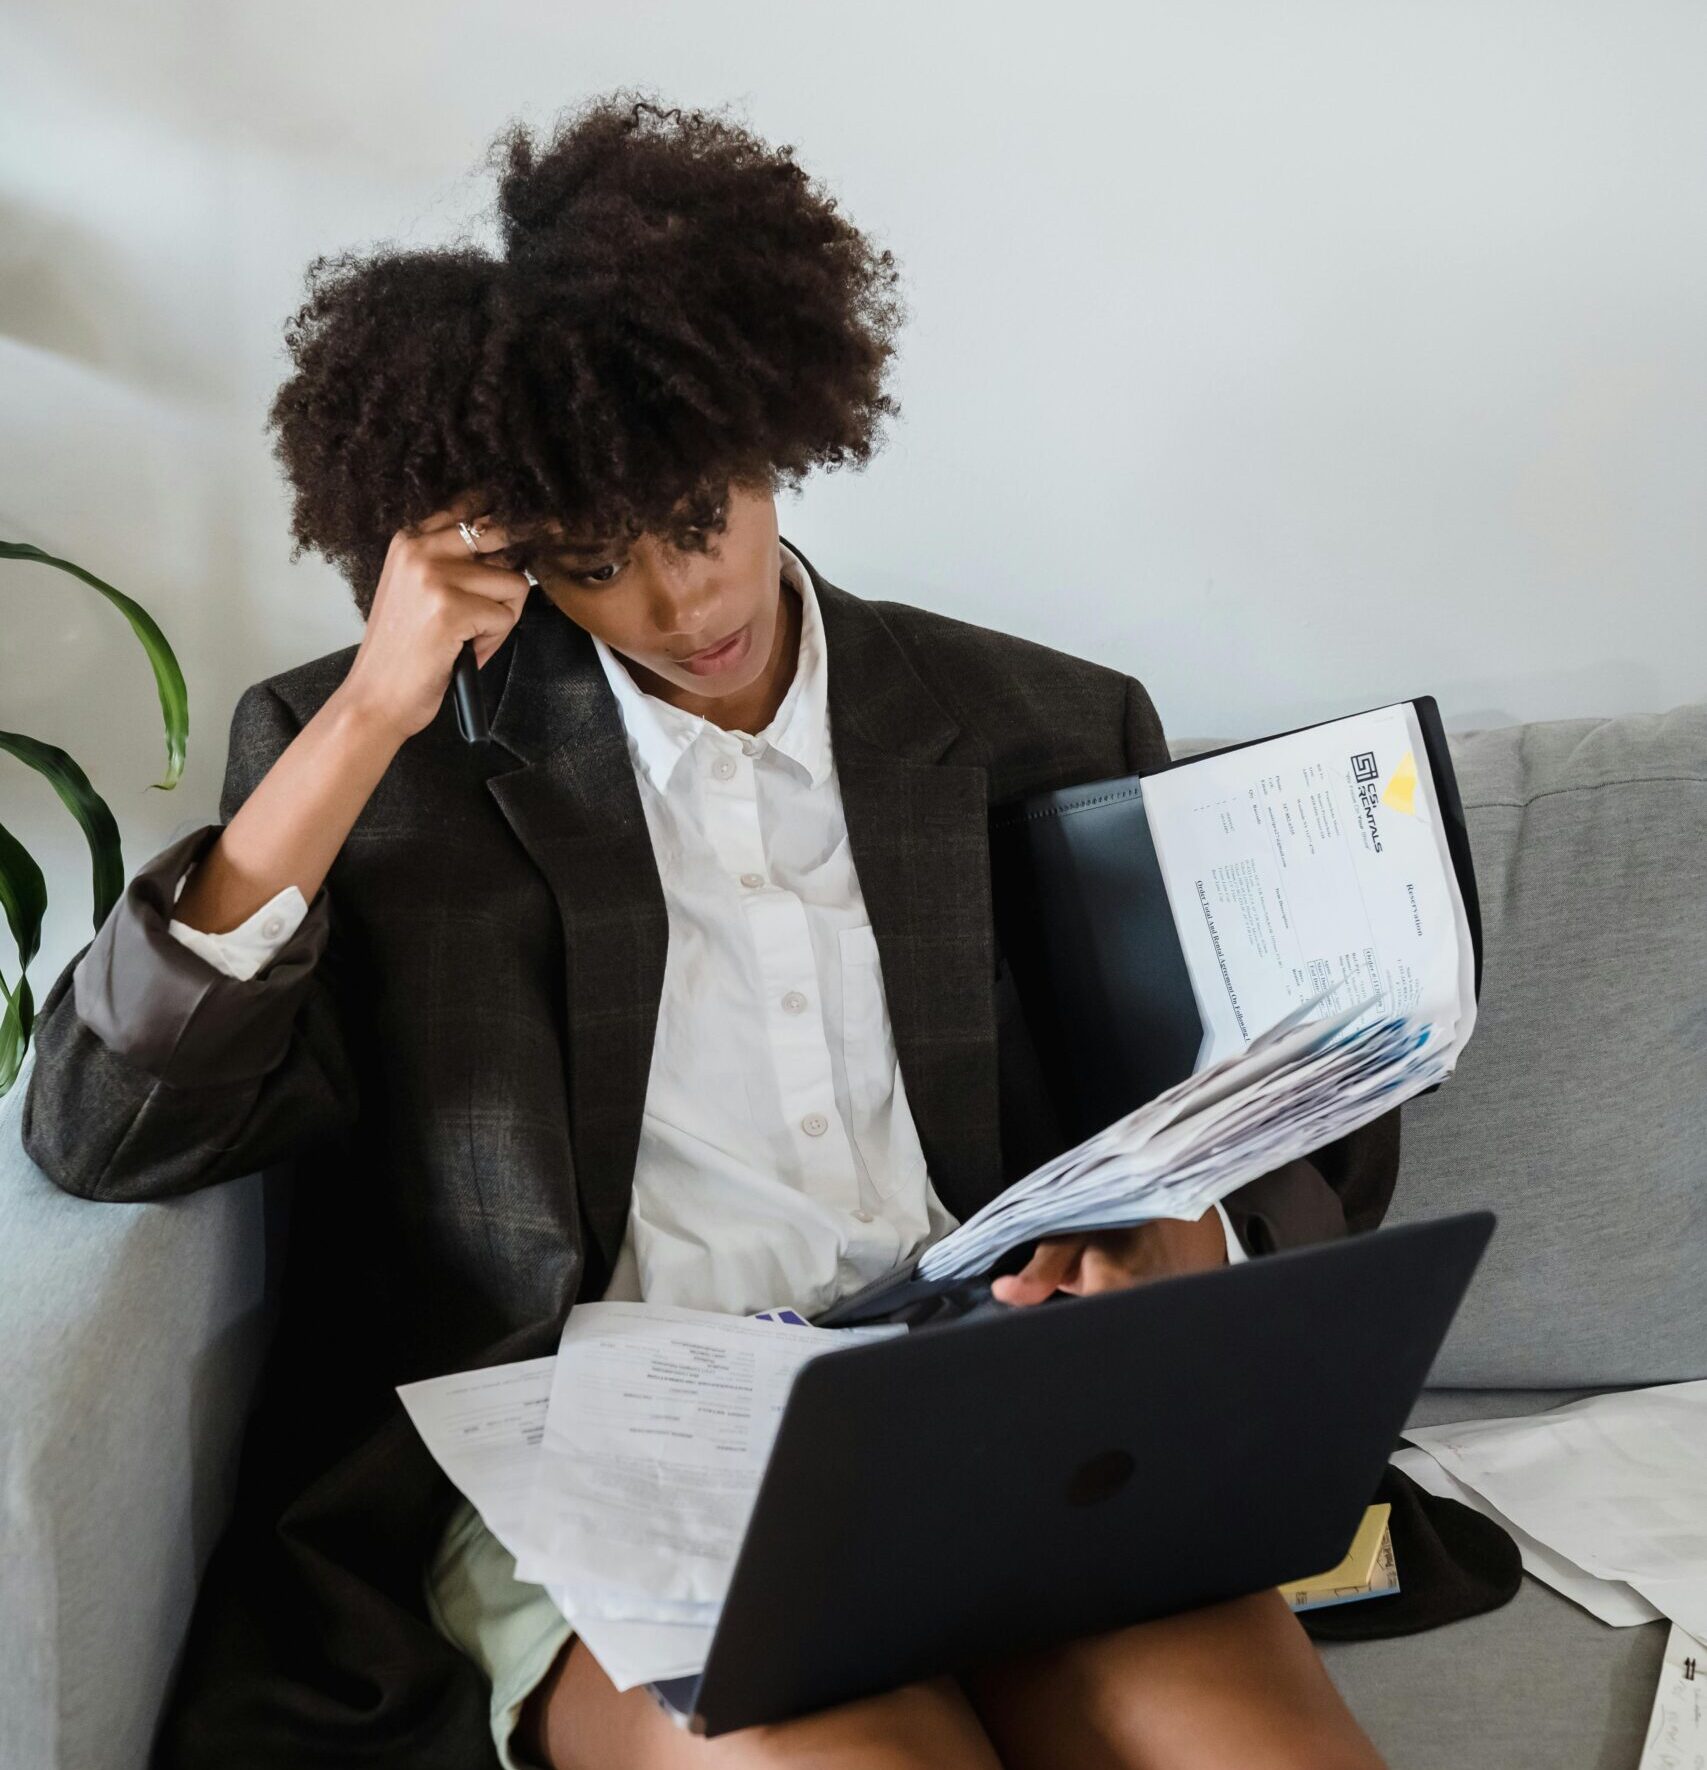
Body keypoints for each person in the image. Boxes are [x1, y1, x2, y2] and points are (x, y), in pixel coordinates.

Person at [21, 91, 1398, 1770]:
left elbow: (1276, 1122)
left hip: (992, 1412)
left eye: (703, 519)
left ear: (775, 429)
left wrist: (1181, 1245)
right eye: (598, 566)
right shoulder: (389, 771)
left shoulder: (1039, 721)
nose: (686, 605)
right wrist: (373, 710)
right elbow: (98, 1126)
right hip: (619, 1468)